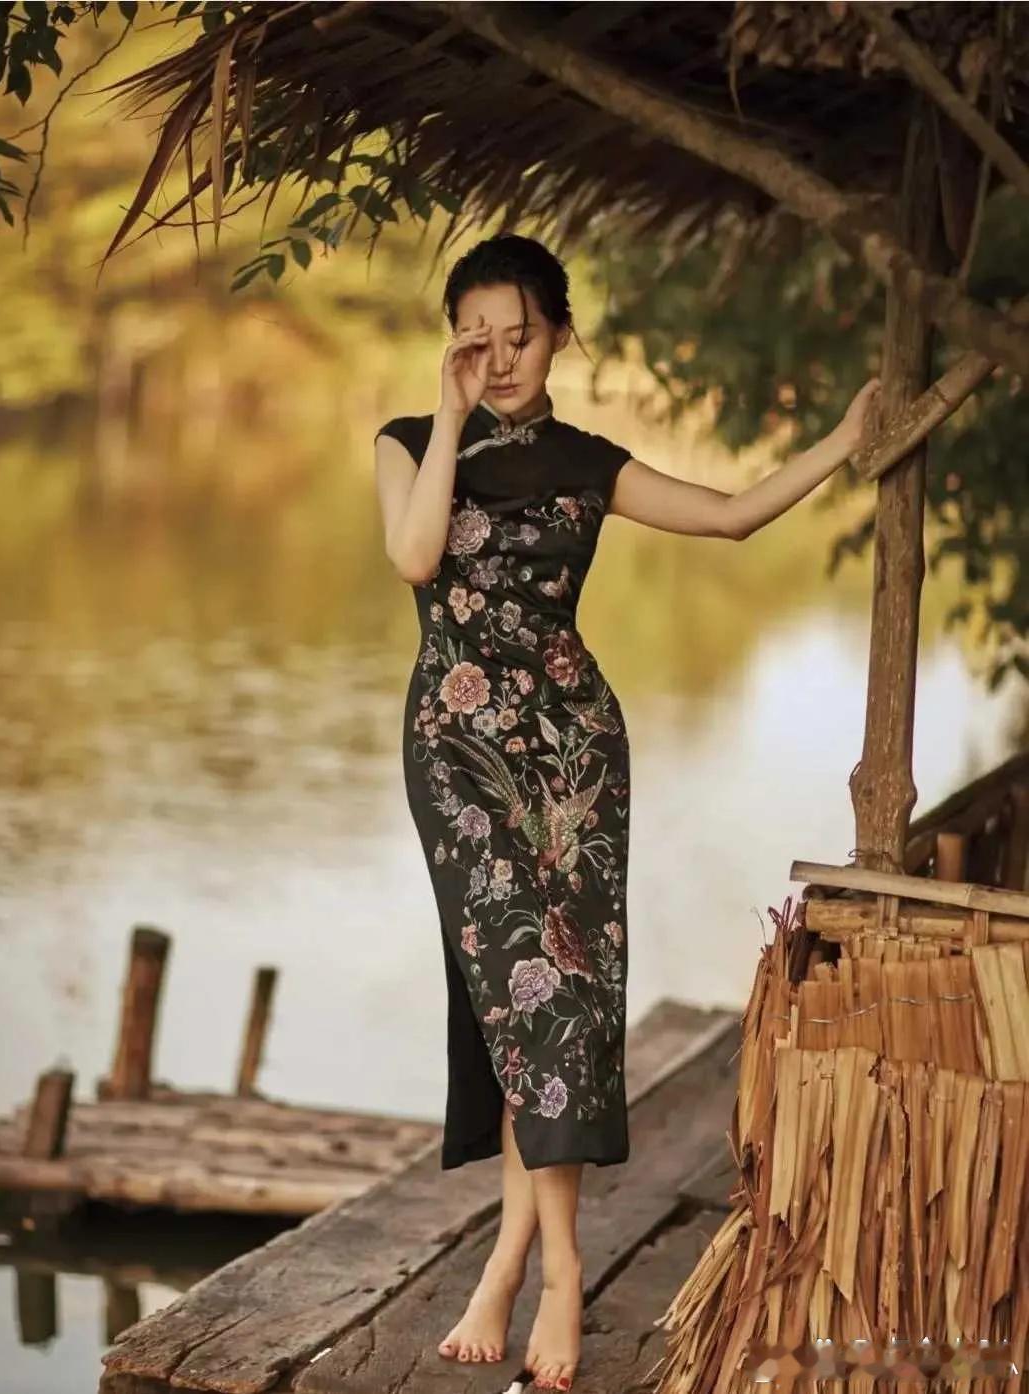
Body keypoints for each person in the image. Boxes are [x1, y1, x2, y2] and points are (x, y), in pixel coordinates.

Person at [373, 233, 880, 1393]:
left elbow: (733, 515)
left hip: (576, 757)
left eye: (522, 335)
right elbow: (413, 557)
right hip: (459, 755)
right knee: (524, 995)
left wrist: (842, 441)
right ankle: (562, 1269)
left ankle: (509, 1264)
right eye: (477, 339)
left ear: (560, 334)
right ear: (452, 343)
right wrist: (448, 416)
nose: (501, 359)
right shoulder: (407, 442)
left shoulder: (587, 463)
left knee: (553, 1006)